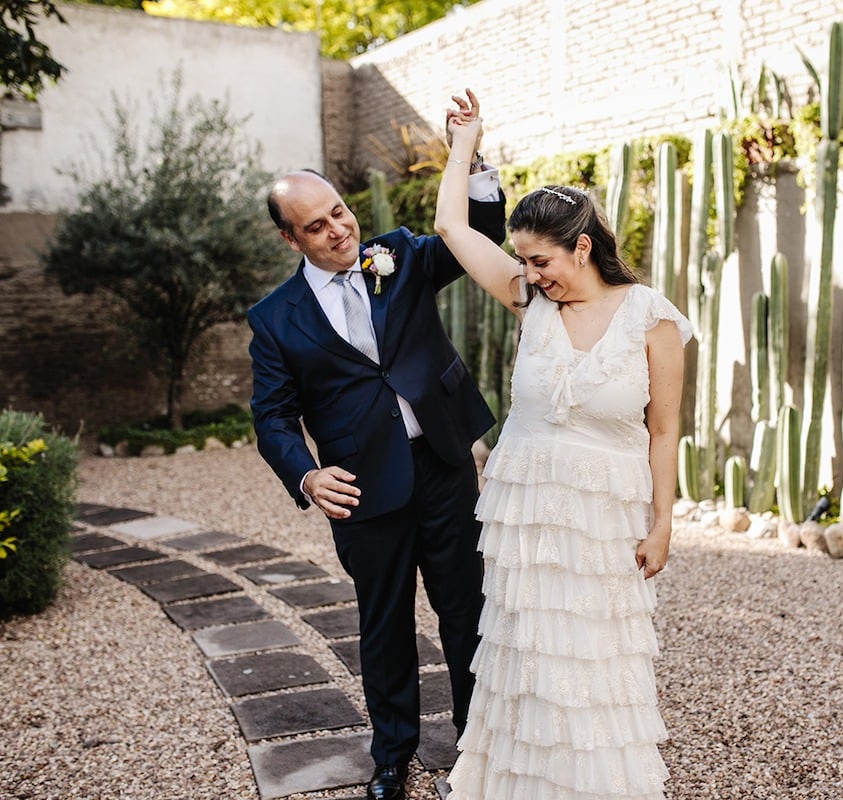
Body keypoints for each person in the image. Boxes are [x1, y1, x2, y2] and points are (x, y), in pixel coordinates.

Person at [433, 90, 692, 799]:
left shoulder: (651, 320)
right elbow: (451, 225)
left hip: (603, 517)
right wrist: (465, 145)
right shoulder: (530, 301)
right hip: (525, 513)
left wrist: (663, 522)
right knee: (528, 659)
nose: (531, 273)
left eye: (541, 259)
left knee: (594, 661)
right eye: (522, 260)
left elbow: (664, 430)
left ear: (582, 246)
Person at [247, 126, 506, 800]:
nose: (337, 230)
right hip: (362, 490)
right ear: (291, 240)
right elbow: (271, 416)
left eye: (338, 211)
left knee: (465, 609)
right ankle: (393, 756)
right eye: (316, 226)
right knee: (383, 623)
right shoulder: (276, 320)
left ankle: (478, 743)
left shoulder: (401, 254)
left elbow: (477, 231)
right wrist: (305, 474)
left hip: (445, 466)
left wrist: (470, 159)